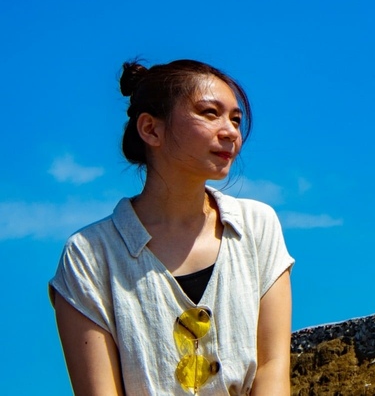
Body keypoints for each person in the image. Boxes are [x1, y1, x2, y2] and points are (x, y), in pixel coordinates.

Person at [49, 59, 294, 395]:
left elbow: (272, 368)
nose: (231, 131)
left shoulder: (256, 226)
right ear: (150, 129)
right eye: (210, 113)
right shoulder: (90, 255)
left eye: (236, 120)